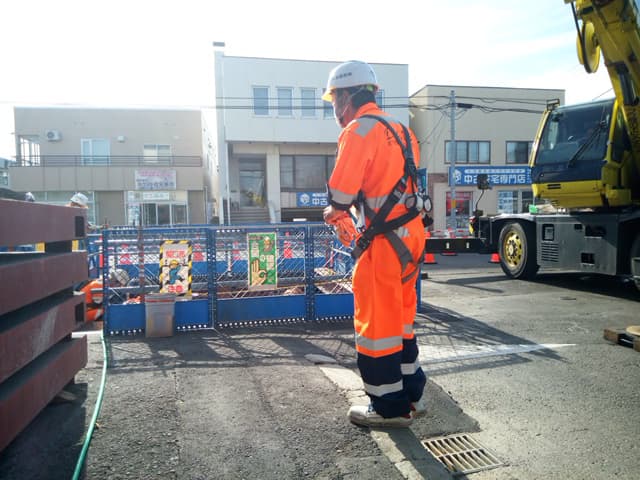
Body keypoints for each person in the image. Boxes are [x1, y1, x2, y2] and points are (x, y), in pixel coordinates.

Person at [321, 60, 427, 428]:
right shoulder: (401, 129)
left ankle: (388, 408)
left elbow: (341, 194)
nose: (334, 108)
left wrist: (334, 213)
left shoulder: (358, 130)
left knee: (377, 327)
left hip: (383, 243)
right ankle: (412, 395)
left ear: (346, 97)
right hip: (411, 236)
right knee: (402, 321)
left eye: (335, 99)